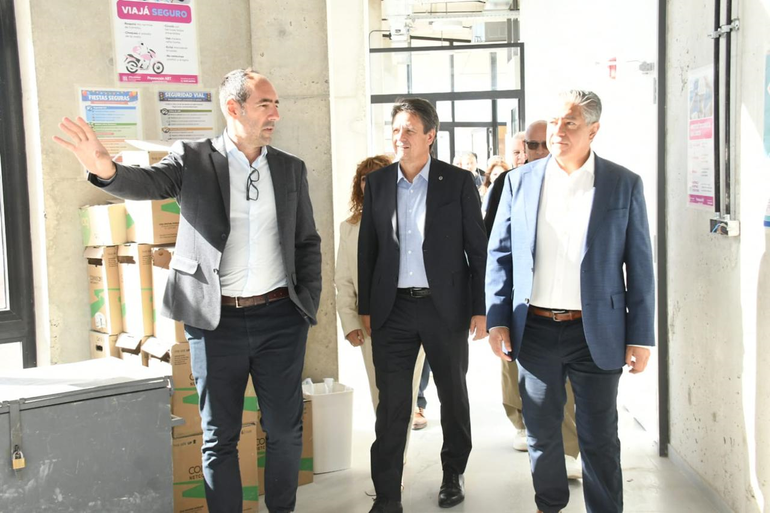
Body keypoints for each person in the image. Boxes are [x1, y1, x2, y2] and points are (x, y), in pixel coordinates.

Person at [54, 69, 322, 513]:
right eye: (265, 104)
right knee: (220, 436)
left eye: (276, 104)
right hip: (215, 321)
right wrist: (104, 168)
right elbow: (146, 184)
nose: (275, 113)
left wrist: (306, 303)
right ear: (233, 108)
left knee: (284, 430)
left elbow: (306, 240)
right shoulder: (194, 159)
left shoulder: (290, 167)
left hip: (280, 318)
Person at [486, 90, 654, 513]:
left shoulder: (622, 184)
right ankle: (549, 506)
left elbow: (640, 264)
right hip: (535, 330)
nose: (558, 130)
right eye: (555, 122)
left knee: (599, 436)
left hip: (596, 331)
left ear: (593, 131)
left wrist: (640, 336)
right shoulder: (520, 181)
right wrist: (497, 318)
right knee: (542, 434)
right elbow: (500, 254)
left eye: (570, 123)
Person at [358, 98, 487, 513]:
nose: (401, 137)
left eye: (410, 130)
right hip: (392, 309)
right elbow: (368, 249)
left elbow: (477, 249)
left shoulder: (457, 182)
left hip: (444, 308)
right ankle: (387, 495)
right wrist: (366, 306)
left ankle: (453, 473)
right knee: (392, 405)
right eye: (396, 129)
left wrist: (480, 308)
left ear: (431, 135)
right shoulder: (379, 183)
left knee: (453, 396)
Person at [484, 120, 581, 478]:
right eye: (532, 145)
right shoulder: (510, 183)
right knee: (514, 371)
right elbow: (495, 246)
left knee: (564, 386)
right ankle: (521, 422)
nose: (538, 150)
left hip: (564, 309)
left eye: (543, 144)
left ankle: (568, 449)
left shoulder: (574, 183)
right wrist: (493, 311)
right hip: (518, 305)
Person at [334, 154, 427, 447]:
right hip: (370, 322)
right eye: (364, 178)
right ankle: (389, 458)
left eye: (376, 176)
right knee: (381, 394)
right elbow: (343, 279)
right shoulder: (349, 228)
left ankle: (398, 458)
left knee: (405, 392)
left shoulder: (409, 219)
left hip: (409, 315)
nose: (369, 182)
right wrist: (350, 322)